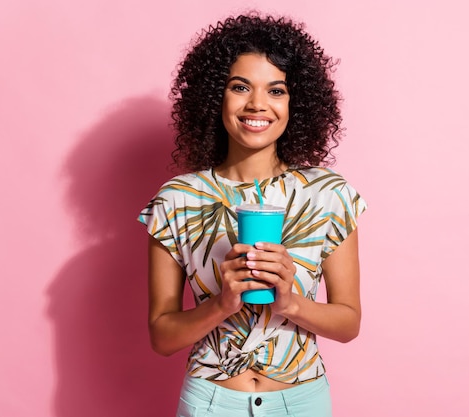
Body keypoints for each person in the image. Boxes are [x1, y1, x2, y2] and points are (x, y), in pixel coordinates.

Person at [138, 13, 367, 417]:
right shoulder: (177, 199)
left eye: (276, 90)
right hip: (211, 402)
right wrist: (222, 304)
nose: (257, 104)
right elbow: (162, 336)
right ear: (215, 97)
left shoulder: (329, 195)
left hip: (301, 402)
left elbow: (348, 323)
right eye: (240, 87)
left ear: (296, 102)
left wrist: (290, 302)